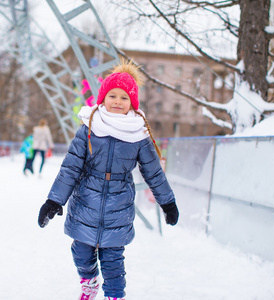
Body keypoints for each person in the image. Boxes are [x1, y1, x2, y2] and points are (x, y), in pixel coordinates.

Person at [37, 60, 179, 300]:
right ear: (103, 98)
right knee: (81, 252)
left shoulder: (138, 133)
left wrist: (167, 202)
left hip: (118, 207)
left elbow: (153, 171)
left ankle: (114, 295)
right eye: (112, 95)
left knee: (113, 260)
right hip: (85, 204)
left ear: (132, 103)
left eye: (124, 98)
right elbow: (70, 167)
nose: (117, 101)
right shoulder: (90, 127)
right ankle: (89, 280)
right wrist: (54, 201)